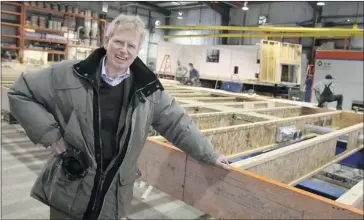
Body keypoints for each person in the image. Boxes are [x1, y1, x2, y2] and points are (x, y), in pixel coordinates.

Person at [7, 14, 230, 220]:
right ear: (107, 41)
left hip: (112, 195)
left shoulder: (148, 91)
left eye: (131, 45)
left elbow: (177, 124)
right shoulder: (69, 74)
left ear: (138, 49)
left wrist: (209, 155)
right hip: (72, 184)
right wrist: (52, 136)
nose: (124, 50)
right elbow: (20, 92)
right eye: (119, 42)